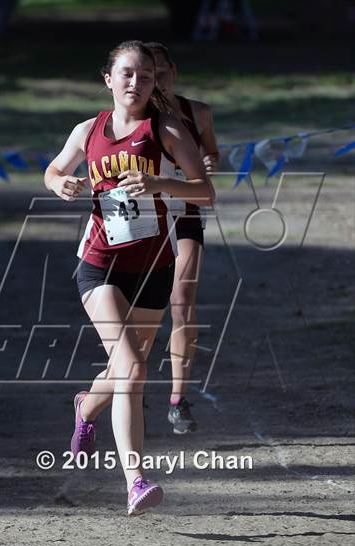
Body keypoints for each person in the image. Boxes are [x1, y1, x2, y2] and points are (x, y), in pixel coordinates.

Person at [44, 40, 214, 515]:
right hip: (100, 264)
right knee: (134, 370)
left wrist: (161, 183)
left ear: (154, 80)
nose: (135, 83)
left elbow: (205, 191)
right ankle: (135, 480)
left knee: (125, 369)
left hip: (153, 267)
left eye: (143, 75)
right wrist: (62, 184)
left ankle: (85, 406)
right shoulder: (88, 129)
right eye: (126, 74)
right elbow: (54, 170)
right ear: (108, 79)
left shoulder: (167, 130)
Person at [145, 42, 220, 434]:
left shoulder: (199, 112)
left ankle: (178, 398)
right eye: (146, 74)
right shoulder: (138, 116)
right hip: (144, 218)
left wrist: (210, 161)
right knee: (138, 306)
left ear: (173, 71)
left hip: (186, 213)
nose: (154, 81)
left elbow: (212, 155)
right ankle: (126, 380)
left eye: (160, 73)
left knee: (182, 299)